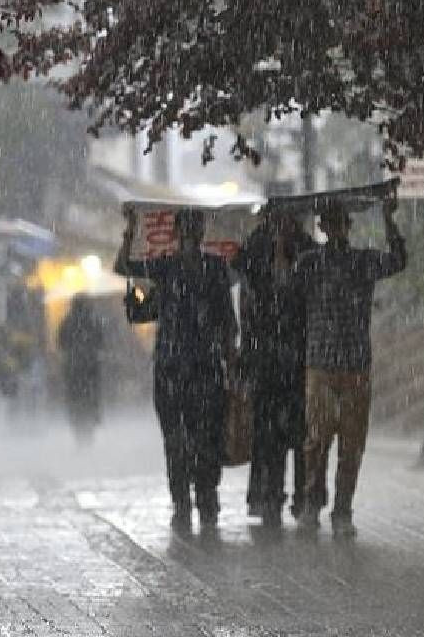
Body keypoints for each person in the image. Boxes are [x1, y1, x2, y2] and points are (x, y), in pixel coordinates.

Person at [117, 208, 237, 532]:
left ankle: (206, 499)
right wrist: (130, 230)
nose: (190, 237)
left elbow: (227, 321)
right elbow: (124, 267)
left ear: (200, 234)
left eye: (194, 231)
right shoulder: (166, 268)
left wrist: (231, 361)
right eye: (186, 231)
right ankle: (182, 502)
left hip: (206, 368)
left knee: (207, 439)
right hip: (172, 369)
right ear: (177, 234)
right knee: (176, 440)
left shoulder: (214, 269)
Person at [294, 197, 406, 537]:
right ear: (323, 228)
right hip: (321, 364)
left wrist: (389, 221)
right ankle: (313, 502)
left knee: (352, 443)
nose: (336, 228)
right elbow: (285, 287)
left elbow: (398, 260)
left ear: (347, 226)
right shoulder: (309, 263)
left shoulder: (363, 262)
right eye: (330, 222)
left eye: (341, 222)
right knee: (318, 438)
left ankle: (342, 509)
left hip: (355, 363)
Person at [232, 207, 316, 528]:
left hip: (297, 356)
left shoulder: (306, 249)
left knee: (299, 432)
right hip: (266, 357)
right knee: (268, 433)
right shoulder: (257, 247)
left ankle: (301, 497)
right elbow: (241, 272)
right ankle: (270, 497)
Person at [58, 295, 104, 447]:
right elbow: (101, 341)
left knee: (76, 401)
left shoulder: (67, 321)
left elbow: (61, 342)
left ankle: (79, 434)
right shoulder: (93, 321)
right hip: (90, 368)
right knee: (90, 400)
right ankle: (89, 431)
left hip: (73, 369)